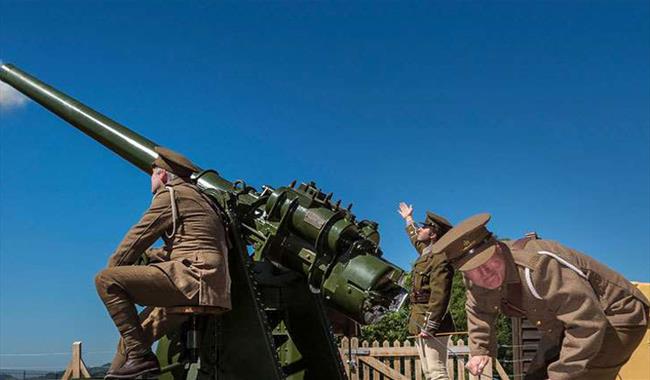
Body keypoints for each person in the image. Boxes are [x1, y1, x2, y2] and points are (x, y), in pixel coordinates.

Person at [430, 213, 649, 380]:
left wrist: (560, 375)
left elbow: (587, 324)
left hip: (616, 314)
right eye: (473, 270)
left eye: (489, 263)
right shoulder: (475, 279)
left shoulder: (539, 264)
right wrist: (480, 350)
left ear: (498, 247)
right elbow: (479, 310)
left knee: (580, 375)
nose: (484, 274)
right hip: (563, 323)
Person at [95, 146, 231, 379]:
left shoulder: (170, 195)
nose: (151, 179)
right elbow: (191, 243)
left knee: (106, 281)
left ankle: (141, 359)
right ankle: (123, 368)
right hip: (210, 285)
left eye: (153, 173)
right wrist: (154, 256)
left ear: (163, 175)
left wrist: (114, 273)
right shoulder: (201, 199)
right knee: (134, 336)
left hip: (191, 280)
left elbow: (133, 242)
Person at [398, 203, 455, 380]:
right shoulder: (426, 253)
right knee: (430, 373)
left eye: (424, 227)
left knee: (437, 372)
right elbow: (415, 236)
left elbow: (440, 295)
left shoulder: (440, 259)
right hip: (419, 318)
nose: (420, 229)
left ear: (433, 234)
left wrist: (431, 325)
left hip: (433, 324)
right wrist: (408, 219)